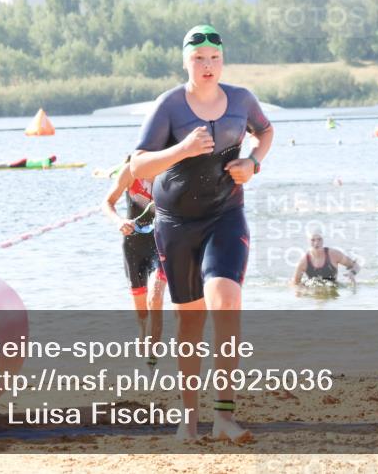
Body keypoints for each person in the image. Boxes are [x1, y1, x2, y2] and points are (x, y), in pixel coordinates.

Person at [130, 24, 273, 444]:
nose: (207, 66)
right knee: (190, 324)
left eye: (214, 58)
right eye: (198, 59)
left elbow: (265, 132)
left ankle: (225, 416)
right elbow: (138, 166)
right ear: (185, 62)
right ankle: (188, 419)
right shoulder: (169, 106)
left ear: (222, 61)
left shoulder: (242, 100)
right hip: (176, 225)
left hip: (225, 215)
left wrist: (253, 163)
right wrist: (181, 150)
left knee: (226, 303)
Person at [103, 155, 166, 362]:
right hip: (133, 245)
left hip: (162, 242)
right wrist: (119, 221)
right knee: (141, 311)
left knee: (156, 297)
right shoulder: (130, 171)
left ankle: (153, 357)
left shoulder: (170, 169)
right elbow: (107, 203)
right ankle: (142, 330)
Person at [291, 231, 360, 285]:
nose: (316, 243)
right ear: (308, 241)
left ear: (323, 240)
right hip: (313, 296)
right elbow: (295, 284)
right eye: (313, 240)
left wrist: (352, 273)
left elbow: (356, 266)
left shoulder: (334, 254)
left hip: (333, 293)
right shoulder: (304, 262)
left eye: (319, 239)